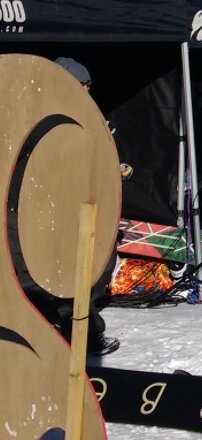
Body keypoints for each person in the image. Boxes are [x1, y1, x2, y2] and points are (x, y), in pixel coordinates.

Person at [45, 57, 121, 356]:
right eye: (82, 86)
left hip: (84, 203)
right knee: (74, 277)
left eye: (88, 86)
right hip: (62, 207)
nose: (87, 92)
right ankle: (86, 338)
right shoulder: (51, 116)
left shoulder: (88, 115)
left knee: (87, 272)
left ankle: (75, 330)